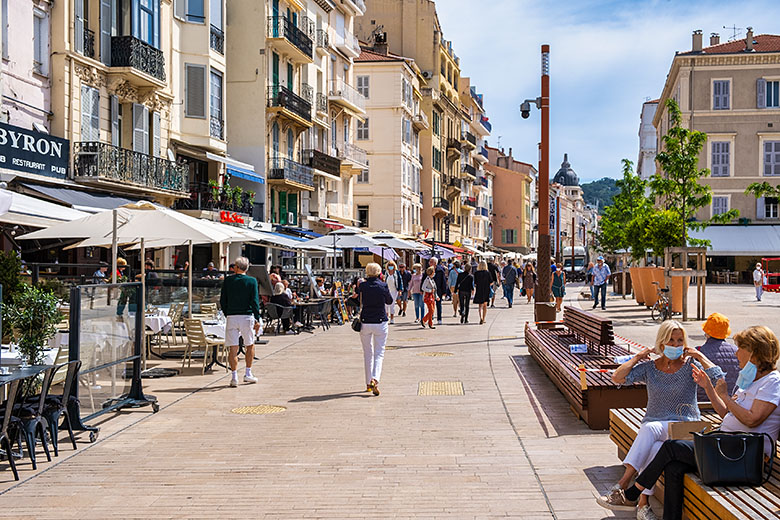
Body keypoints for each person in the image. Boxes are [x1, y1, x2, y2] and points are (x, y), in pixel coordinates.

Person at [603, 325, 780, 520]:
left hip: (741, 456)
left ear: (754, 353)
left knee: (670, 448)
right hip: (726, 448)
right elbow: (726, 414)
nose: (736, 353)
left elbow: (753, 420)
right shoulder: (751, 381)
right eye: (671, 340)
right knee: (673, 466)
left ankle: (631, 492)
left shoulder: (772, 382)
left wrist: (724, 395)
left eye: (740, 348)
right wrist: (712, 390)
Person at [598, 321, 723, 520]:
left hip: (685, 426)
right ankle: (642, 504)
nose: (675, 344)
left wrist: (699, 355)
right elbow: (617, 377)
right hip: (658, 426)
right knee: (655, 447)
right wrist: (638, 356)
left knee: (649, 430)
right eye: (671, 340)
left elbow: (718, 378)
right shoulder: (650, 368)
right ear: (661, 342)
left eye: (680, 340)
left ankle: (622, 484)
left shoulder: (691, 366)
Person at [219, 257, 261, 387]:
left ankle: (234, 376)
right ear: (246, 268)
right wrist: (257, 318)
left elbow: (223, 300)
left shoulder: (228, 281)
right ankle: (248, 373)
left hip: (232, 316)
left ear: (236, 267)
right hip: (246, 316)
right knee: (249, 345)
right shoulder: (252, 281)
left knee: (233, 348)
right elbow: (254, 301)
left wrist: (227, 313)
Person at [357, 263, 393, 396]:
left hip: (365, 321)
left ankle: (367, 383)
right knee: (379, 353)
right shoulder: (382, 285)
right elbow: (389, 301)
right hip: (380, 321)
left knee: (367, 353)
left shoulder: (363, 286)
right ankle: (375, 379)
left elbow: (356, 297)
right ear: (379, 272)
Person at [697, 312, 740, 401]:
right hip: (732, 404)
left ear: (707, 333)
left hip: (704, 402)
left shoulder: (698, 352)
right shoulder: (737, 351)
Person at [427, 258, 446, 324]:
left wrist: (444, 292)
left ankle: (439, 319)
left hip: (438, 290)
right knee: (430, 304)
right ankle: (431, 317)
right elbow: (424, 279)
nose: (430, 263)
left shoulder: (440, 271)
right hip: (430, 290)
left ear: (435, 263)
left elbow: (443, 281)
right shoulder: (428, 270)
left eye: (431, 262)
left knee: (438, 304)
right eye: (429, 261)